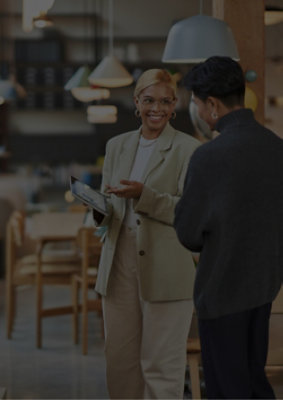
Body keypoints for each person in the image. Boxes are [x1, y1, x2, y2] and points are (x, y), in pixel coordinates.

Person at [174, 56, 283, 399]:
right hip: (264, 289)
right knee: (253, 382)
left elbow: (188, 233)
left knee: (226, 389)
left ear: (212, 104)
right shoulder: (277, 149)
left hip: (222, 293)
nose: (196, 111)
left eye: (195, 103)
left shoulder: (208, 157)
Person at [93, 69, 200, 399]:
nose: (158, 108)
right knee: (120, 359)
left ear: (175, 105)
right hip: (119, 260)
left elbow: (189, 212)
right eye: (149, 100)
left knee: (161, 364)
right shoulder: (116, 146)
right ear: (136, 102)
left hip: (167, 263)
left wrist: (144, 195)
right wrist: (97, 208)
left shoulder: (189, 149)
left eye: (166, 101)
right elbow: (108, 207)